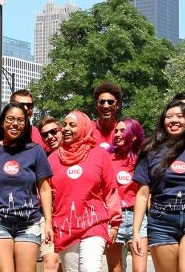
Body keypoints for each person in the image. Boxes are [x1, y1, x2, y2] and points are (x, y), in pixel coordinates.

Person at [0, 101, 53, 272]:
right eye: (10, 119)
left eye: (20, 120)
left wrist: (48, 223)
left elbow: (45, 189)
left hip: (29, 222)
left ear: (26, 125)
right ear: (2, 122)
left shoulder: (36, 151)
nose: (15, 124)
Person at [132, 100, 185, 272]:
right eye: (169, 116)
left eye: (180, 116)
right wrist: (136, 232)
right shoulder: (149, 149)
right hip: (161, 222)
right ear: (162, 120)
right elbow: (143, 194)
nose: (174, 120)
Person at [49, 110, 122, 272]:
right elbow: (45, 193)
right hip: (65, 226)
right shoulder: (53, 159)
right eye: (64, 125)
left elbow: (110, 190)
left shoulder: (99, 155)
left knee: (91, 269)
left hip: (95, 224)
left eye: (72, 125)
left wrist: (115, 223)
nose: (66, 129)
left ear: (83, 128)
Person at [105, 119, 147, 272]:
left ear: (134, 136)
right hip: (114, 218)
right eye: (116, 130)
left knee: (140, 269)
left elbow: (146, 191)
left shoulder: (142, 159)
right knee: (116, 269)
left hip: (138, 217)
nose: (117, 134)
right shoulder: (107, 157)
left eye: (122, 130)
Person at [38, 116, 63, 272]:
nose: (50, 137)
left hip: (72, 216)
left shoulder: (78, 156)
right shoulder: (42, 159)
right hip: (48, 217)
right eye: (45, 135)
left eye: (53, 131)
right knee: (51, 262)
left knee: (67, 264)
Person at [91, 82, 122, 150]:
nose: (106, 106)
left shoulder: (122, 131)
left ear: (117, 105)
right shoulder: (88, 129)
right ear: (96, 105)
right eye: (101, 102)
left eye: (110, 102)